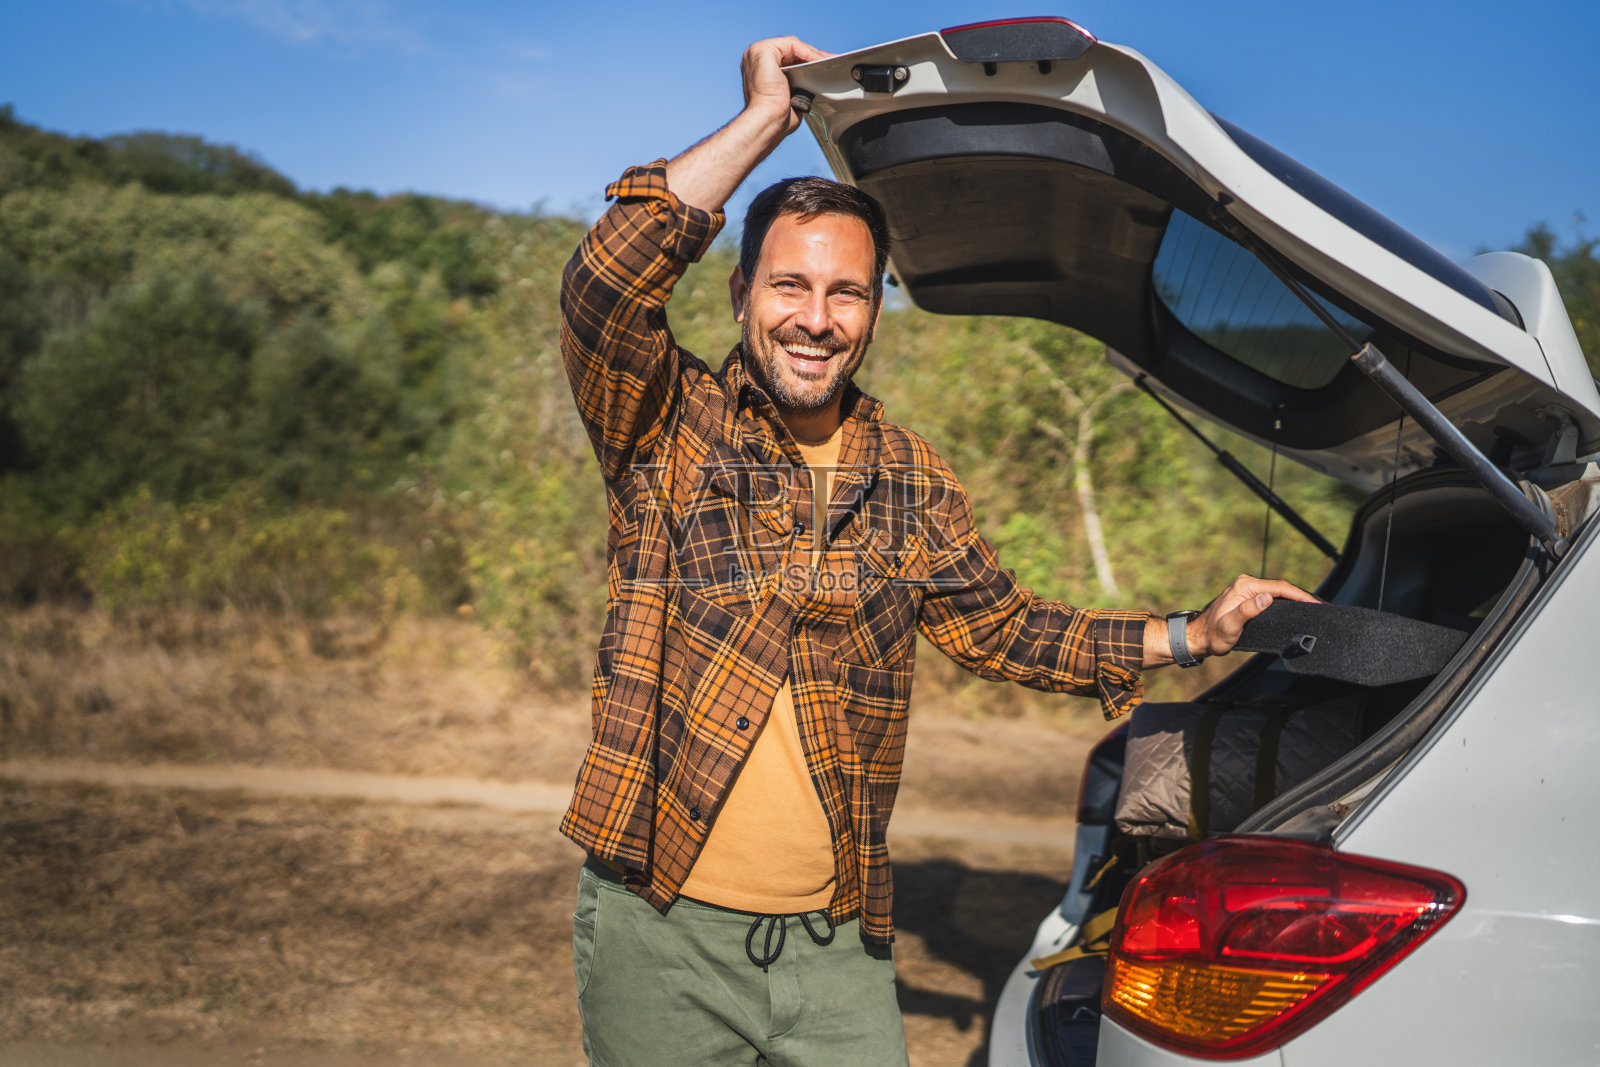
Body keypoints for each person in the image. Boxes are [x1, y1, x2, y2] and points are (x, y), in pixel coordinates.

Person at [558, 34, 1317, 1067]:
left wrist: (1195, 631)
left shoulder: (907, 476)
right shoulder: (666, 426)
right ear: (739, 296)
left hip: (838, 946)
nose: (814, 321)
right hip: (659, 933)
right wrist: (762, 122)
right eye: (789, 286)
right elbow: (603, 284)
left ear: (874, 310)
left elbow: (1007, 628)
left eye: (847, 294)